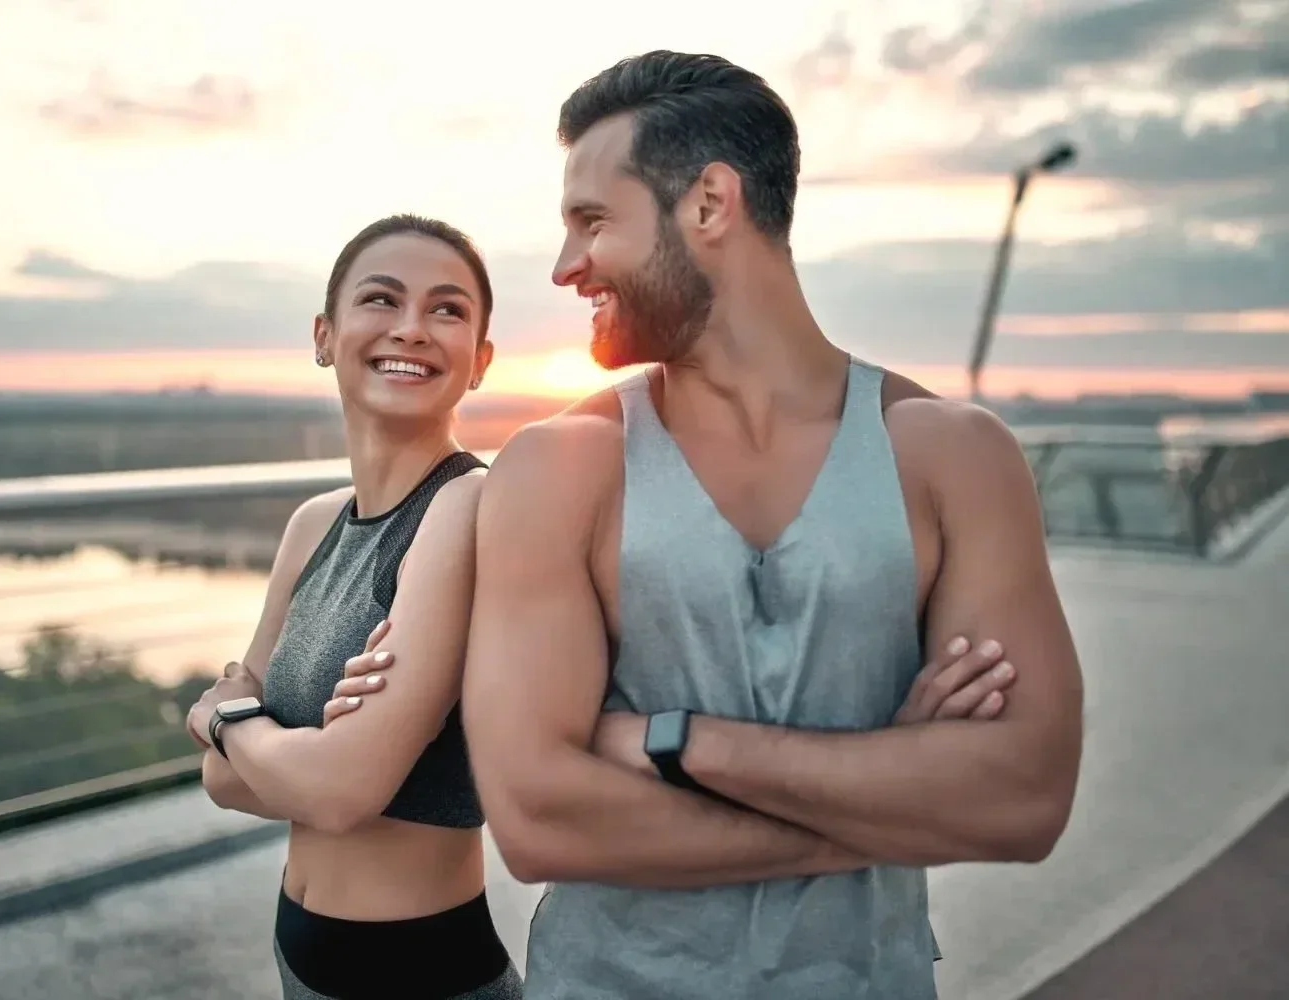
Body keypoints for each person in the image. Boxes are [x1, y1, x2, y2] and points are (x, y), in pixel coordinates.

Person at [456, 51, 1084, 999]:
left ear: (710, 204)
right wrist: (896, 791)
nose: (565, 265)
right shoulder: (559, 468)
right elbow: (540, 822)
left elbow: (1023, 800)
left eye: (594, 221)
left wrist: (676, 742)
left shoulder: (952, 456)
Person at [183, 213, 524, 1000]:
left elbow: (339, 792)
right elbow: (220, 782)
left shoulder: (468, 504)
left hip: (419, 974)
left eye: (447, 309)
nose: (412, 328)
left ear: (479, 361)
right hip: (301, 956)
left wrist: (230, 718)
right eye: (381, 299)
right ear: (325, 336)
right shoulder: (313, 525)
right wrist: (287, 755)